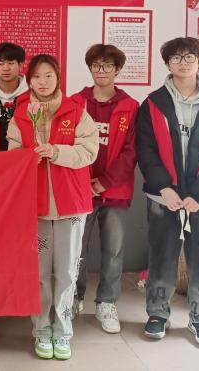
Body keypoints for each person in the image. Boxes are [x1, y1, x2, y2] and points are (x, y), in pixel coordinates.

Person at [137, 37, 199, 348]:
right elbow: (146, 150)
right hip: (163, 196)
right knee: (161, 255)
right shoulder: (153, 103)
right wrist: (163, 187)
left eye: (189, 56)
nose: (183, 62)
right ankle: (157, 313)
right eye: (176, 57)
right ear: (167, 64)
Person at [6, 54, 98, 361]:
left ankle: (63, 331)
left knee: (68, 272)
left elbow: (89, 151)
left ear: (58, 78)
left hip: (71, 205)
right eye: (36, 76)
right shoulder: (20, 114)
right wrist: (28, 156)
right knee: (40, 274)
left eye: (49, 75)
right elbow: (12, 155)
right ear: (29, 81)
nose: (43, 82)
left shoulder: (76, 111)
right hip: (35, 207)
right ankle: (42, 330)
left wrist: (56, 152)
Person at [71, 44, 139, 333]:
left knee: (113, 250)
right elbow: (68, 143)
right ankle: (74, 298)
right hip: (79, 189)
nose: (101, 71)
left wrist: (104, 182)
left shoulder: (130, 106)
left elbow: (131, 152)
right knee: (76, 248)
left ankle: (107, 303)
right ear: (89, 69)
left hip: (115, 191)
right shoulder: (75, 102)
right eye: (96, 66)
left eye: (108, 66)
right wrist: (84, 181)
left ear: (117, 70)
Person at [0, 42, 28, 151]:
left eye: (11, 63)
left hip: (21, 150)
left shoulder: (31, 94)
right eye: (1, 64)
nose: (6, 68)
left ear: (21, 65)